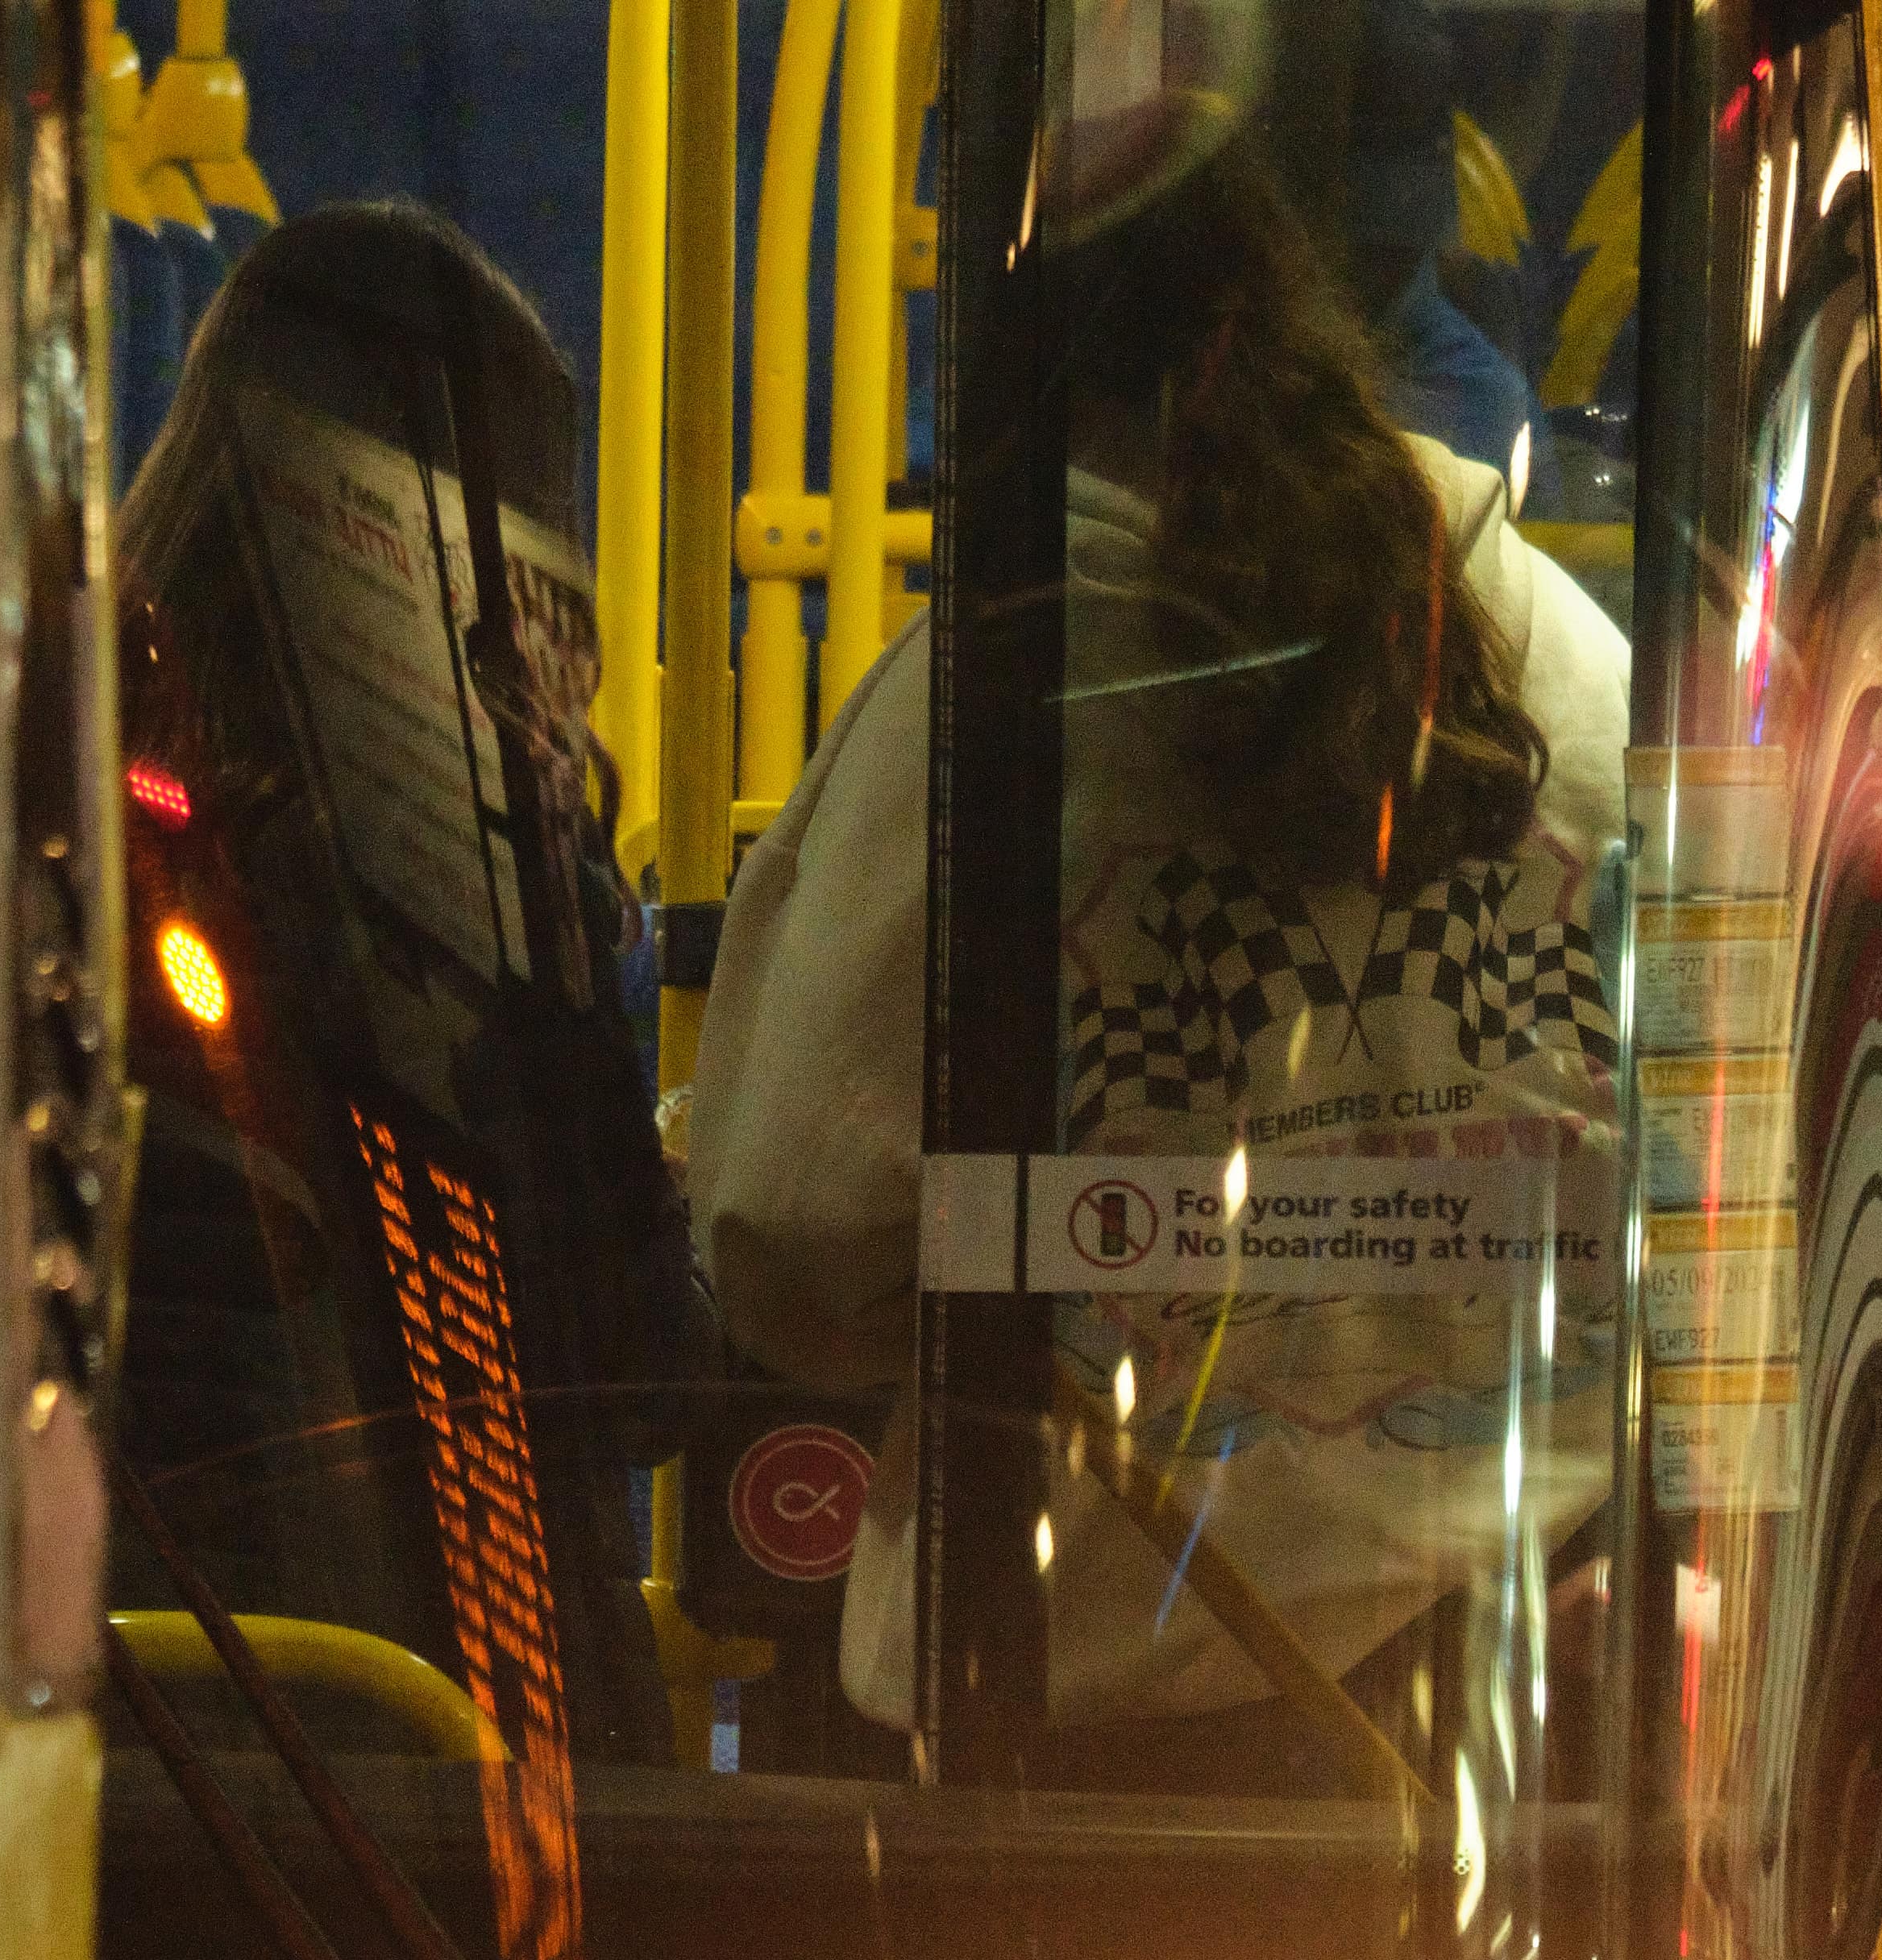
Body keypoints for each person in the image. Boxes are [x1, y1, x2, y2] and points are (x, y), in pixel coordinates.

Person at [686, 88, 1625, 1762]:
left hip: (1078, 1727)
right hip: (1523, 1693)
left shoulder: (980, 717)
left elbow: (784, 1233)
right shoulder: (1563, 652)